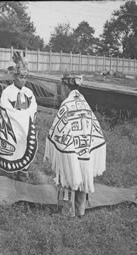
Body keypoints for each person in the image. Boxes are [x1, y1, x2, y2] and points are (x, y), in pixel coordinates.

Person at [44, 74, 106, 218]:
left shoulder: (67, 105)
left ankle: (65, 211)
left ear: (65, 86)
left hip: (72, 148)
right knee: (83, 174)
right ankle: (80, 210)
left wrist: (58, 142)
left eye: (61, 87)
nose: (60, 90)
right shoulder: (84, 103)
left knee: (66, 172)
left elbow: (59, 131)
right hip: (85, 148)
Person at [0, 51, 38, 182]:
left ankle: (23, 171)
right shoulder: (8, 92)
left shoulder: (29, 92)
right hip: (12, 128)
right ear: (14, 77)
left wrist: (26, 116)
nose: (23, 80)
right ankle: (11, 172)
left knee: (25, 145)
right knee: (13, 147)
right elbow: (6, 109)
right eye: (21, 77)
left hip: (26, 128)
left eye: (25, 77)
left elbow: (33, 108)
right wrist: (20, 116)